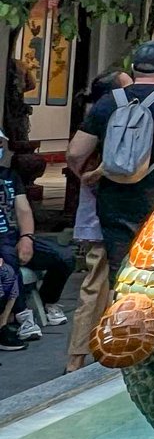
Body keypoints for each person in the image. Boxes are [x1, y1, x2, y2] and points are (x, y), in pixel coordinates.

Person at [66, 41, 154, 277]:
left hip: (113, 199)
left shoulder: (110, 100)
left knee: (119, 271)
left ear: (134, 68)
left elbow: (75, 152)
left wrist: (84, 176)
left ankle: (121, 309)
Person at [64, 69, 131, 372]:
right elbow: (78, 159)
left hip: (99, 214)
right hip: (104, 215)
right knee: (100, 283)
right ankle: (81, 356)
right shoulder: (111, 116)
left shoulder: (106, 113)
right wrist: (100, 171)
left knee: (98, 284)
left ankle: (82, 355)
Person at [0, 128, 72, 341]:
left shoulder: (9, 177)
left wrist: (27, 237)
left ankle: (48, 300)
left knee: (65, 257)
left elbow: (23, 210)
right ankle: (20, 316)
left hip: (14, 236)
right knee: (9, 264)